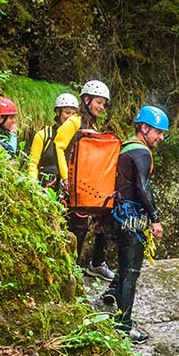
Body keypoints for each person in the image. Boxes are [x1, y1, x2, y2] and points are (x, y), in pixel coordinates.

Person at [104, 105, 167, 344]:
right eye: (158, 132)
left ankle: (111, 293)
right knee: (131, 271)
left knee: (124, 265)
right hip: (131, 218)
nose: (160, 138)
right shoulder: (141, 153)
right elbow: (143, 188)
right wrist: (155, 218)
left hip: (118, 215)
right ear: (144, 128)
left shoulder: (126, 147)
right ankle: (124, 325)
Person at [54, 80, 114, 280]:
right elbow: (59, 146)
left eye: (104, 103)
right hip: (72, 185)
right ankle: (70, 269)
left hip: (87, 186)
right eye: (98, 102)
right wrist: (65, 177)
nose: (101, 107)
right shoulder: (74, 121)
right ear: (86, 100)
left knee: (100, 222)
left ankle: (90, 264)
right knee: (77, 228)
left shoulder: (92, 124)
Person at [28, 93, 79, 192]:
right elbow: (33, 164)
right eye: (67, 113)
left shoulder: (78, 139)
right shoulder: (43, 135)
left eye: (74, 114)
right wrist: (34, 186)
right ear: (58, 112)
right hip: (45, 188)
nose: (71, 118)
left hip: (69, 190)